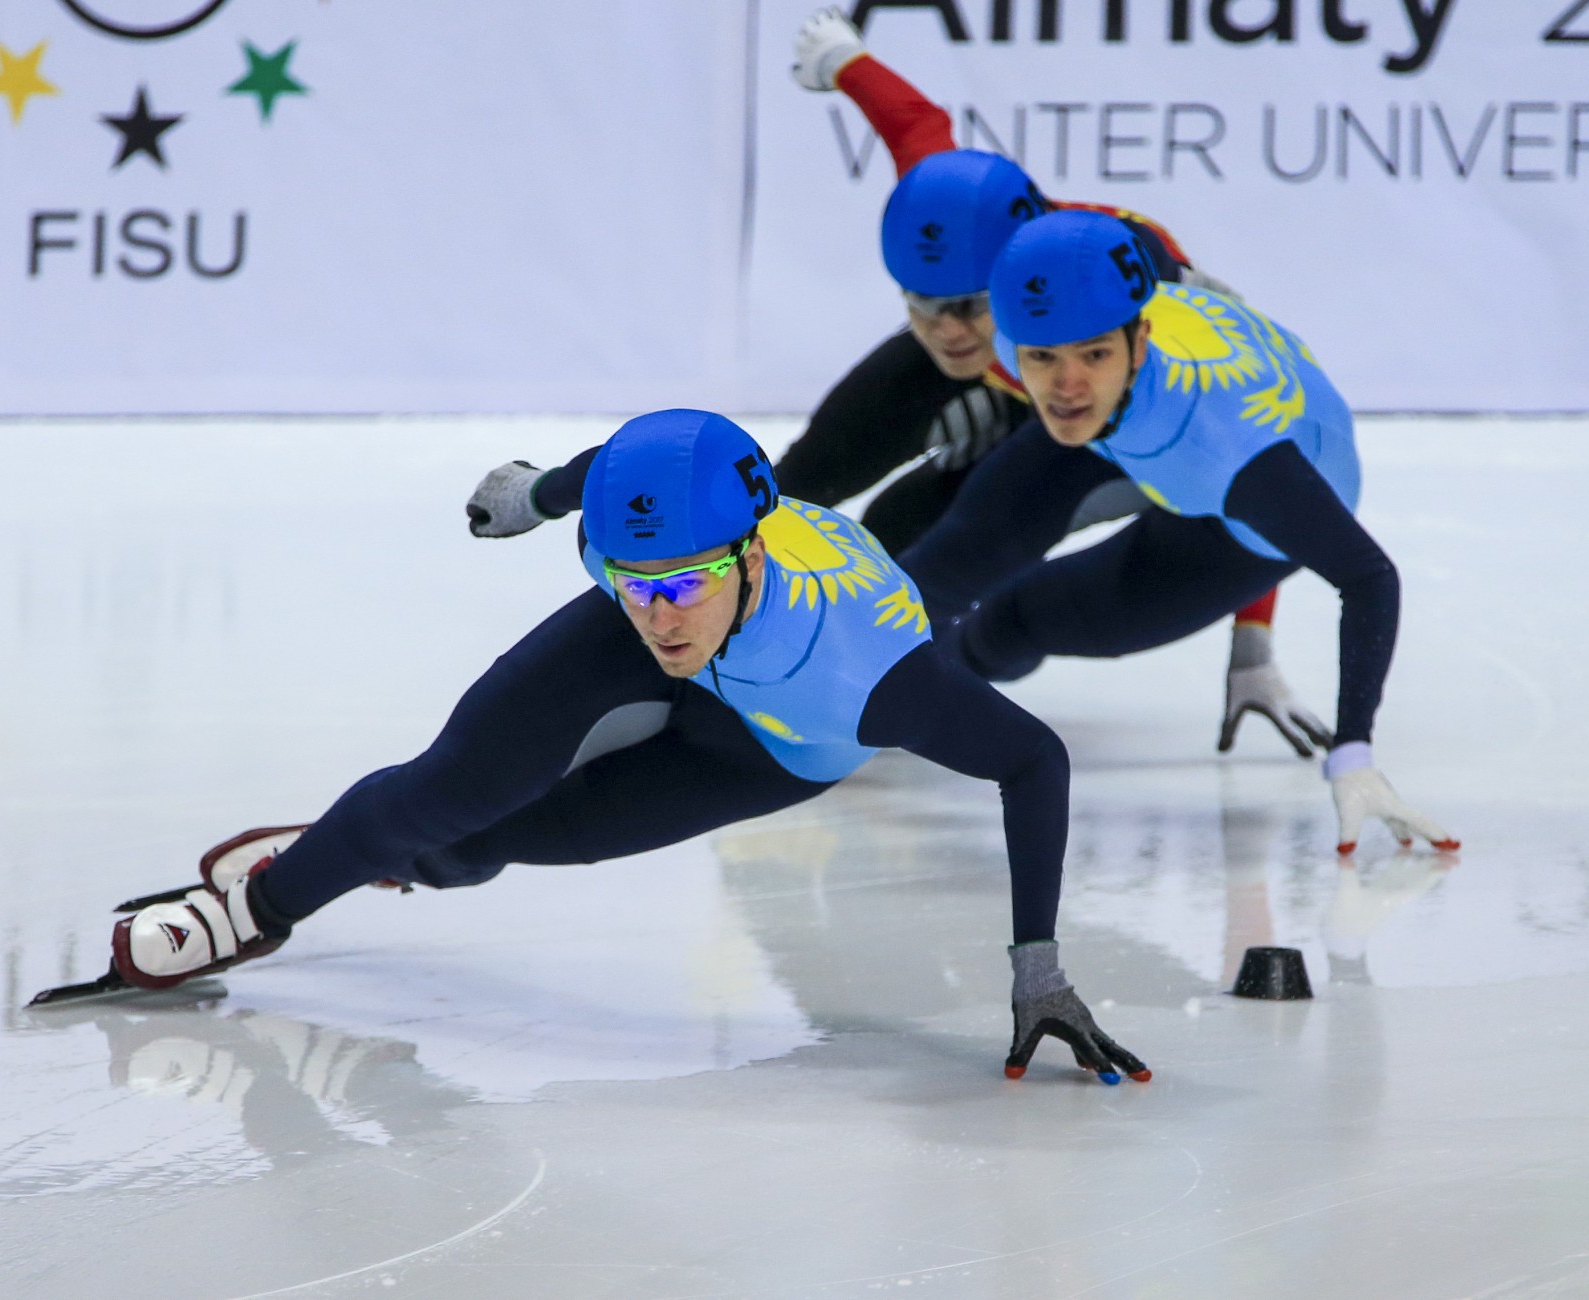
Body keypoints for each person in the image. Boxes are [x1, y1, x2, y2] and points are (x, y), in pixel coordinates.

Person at [102, 410, 1151, 1082]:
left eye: (685, 583)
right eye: (633, 581)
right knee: (453, 786)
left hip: (776, 742)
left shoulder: (869, 669)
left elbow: (1034, 761)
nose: (661, 614)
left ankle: (356, 847)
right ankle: (259, 905)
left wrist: (1036, 971)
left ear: (747, 552)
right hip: (728, 662)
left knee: (485, 844)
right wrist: (529, 497)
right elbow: (605, 474)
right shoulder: (647, 549)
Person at [464, 10, 1331, 760]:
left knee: (915, 543)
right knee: (797, 482)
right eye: (920, 307)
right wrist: (842, 58)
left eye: (963, 309)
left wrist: (1252, 641)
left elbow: (1260, 453)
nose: (946, 333)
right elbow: (916, 129)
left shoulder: (1157, 330)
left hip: (1095, 413)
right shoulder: (964, 227)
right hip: (1027, 368)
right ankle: (689, 636)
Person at [896, 210, 1458, 855]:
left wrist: (1352, 753)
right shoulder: (1044, 325)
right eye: (1042, 358)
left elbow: (1368, 576)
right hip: (1131, 419)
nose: (1067, 384)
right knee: (939, 568)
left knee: (1013, 624)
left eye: (1094, 353)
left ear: (1141, 342)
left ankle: (927, 686)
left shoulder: (1232, 448)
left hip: (1241, 513)